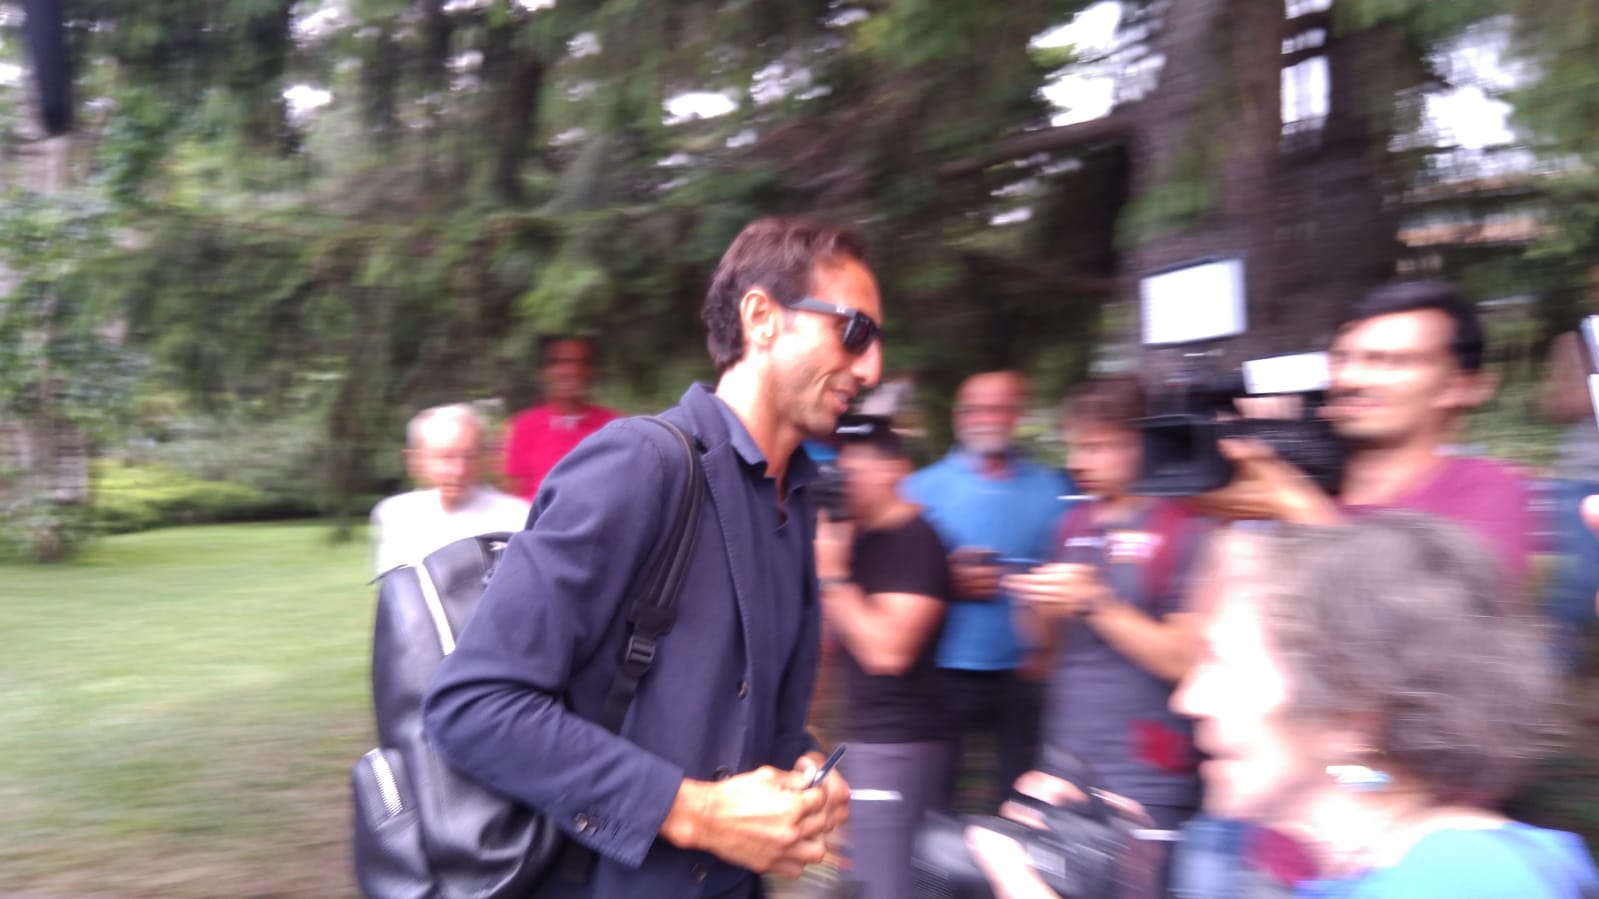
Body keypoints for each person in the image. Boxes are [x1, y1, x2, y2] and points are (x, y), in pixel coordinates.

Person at [422, 216, 882, 897]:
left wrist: (803, 764)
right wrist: (695, 812)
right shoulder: (641, 465)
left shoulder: (796, 498)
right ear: (762, 318)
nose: (872, 368)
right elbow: (472, 705)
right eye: (855, 331)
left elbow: (735, 702)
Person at [971, 513, 1599, 899]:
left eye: (1221, 662)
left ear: (1350, 712)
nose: (1189, 698)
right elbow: (1369, 776)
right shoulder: (1421, 859)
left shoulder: (1459, 885)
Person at [1005, 375, 1208, 893]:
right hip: (1063, 763)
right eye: (1076, 445)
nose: (1080, 460)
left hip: (1146, 775)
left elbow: (1184, 661)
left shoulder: (1182, 526)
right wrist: (1038, 607)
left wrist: (1094, 600)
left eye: (1097, 446)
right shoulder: (1072, 524)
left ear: (1139, 443)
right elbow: (1043, 651)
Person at [1194, 279, 1533, 589]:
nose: (1350, 379)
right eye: (1341, 360)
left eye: (1390, 362)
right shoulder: (1298, 478)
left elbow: (1448, 619)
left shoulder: (1482, 485)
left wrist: (1295, 506)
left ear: (1459, 387)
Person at [902, 370, 1074, 812]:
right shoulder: (919, 489)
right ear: (959, 416)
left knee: (1019, 803)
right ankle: (938, 859)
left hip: (1023, 671)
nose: (986, 419)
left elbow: (1071, 572)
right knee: (935, 801)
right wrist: (946, 581)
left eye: (998, 409)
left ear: (1017, 415)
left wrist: (1048, 646)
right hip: (943, 667)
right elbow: (895, 577)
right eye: (975, 409)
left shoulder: (1053, 491)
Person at [814, 417, 953, 899]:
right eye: (839, 466)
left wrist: (833, 576)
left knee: (885, 887)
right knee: (864, 881)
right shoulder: (857, 538)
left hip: (899, 744)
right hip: (865, 739)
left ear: (891, 469)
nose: (842, 478)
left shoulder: (916, 541)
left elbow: (888, 652)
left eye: (853, 467)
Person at [370, 403, 531, 574]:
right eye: (446, 458)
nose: (459, 470)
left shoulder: (515, 517)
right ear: (416, 460)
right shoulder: (396, 515)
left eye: (469, 457)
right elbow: (393, 584)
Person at [1539, 263, 1599, 666]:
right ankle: (1556, 661)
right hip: (1585, 476)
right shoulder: (1575, 344)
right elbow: (1553, 406)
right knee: (1582, 574)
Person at [502, 335, 620, 500]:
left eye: (580, 362)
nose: (571, 371)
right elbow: (513, 499)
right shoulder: (524, 426)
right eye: (560, 362)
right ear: (544, 372)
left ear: (592, 372)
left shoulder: (615, 427)